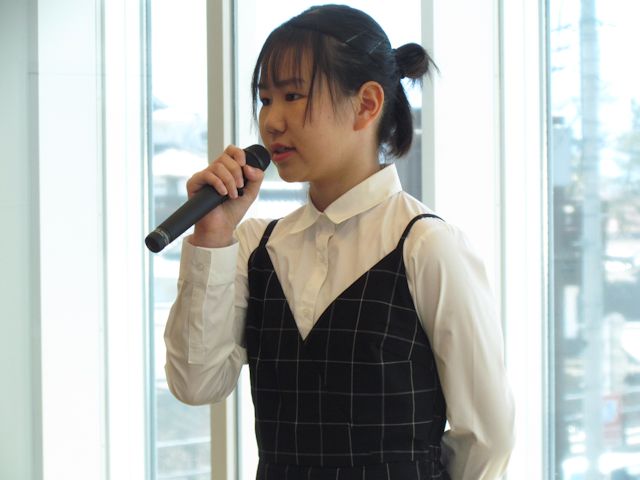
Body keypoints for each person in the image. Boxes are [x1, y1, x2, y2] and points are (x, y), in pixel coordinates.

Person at [164, 4, 515, 479]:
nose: (272, 121)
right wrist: (211, 236)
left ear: (367, 104)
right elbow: (196, 384)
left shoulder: (427, 245)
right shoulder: (253, 245)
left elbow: (488, 439)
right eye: (265, 99)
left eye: (292, 95)